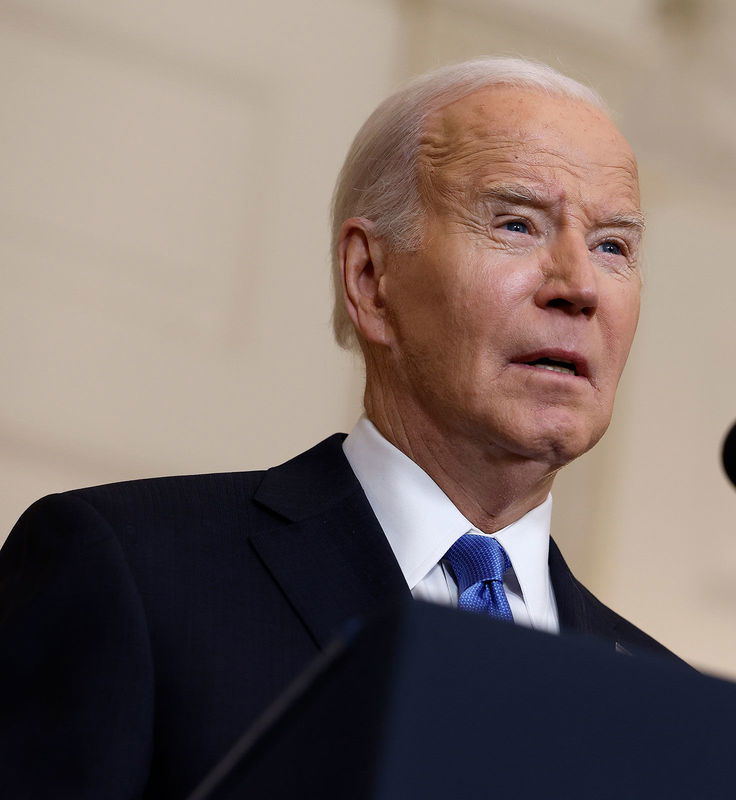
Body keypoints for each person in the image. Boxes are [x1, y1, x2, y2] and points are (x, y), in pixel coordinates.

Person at [0, 57, 679, 799]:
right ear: (370, 279)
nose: (579, 286)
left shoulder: (669, 700)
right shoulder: (135, 572)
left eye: (613, 245)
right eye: (516, 224)